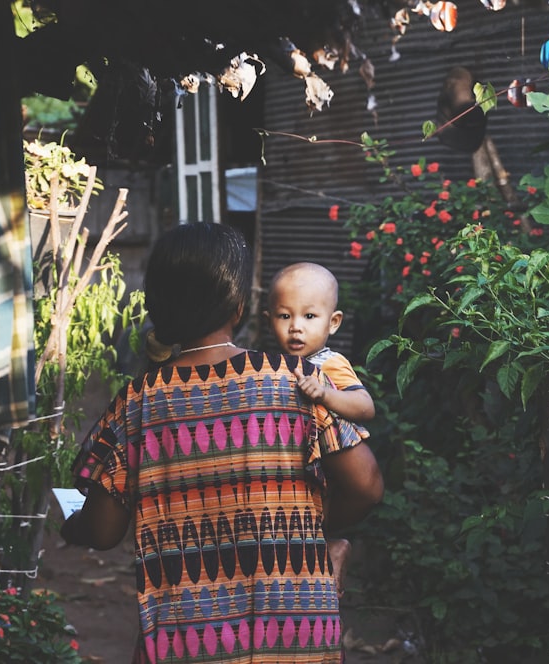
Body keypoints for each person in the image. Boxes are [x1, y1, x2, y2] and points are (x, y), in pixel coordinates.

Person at [61, 222, 384, 664]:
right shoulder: (297, 380)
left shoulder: (135, 403)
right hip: (296, 633)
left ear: (158, 307)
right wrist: (308, 538)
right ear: (239, 305)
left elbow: (101, 530)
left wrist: (70, 525)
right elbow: (365, 487)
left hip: (186, 641)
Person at [263, 262, 376, 596]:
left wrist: (326, 393)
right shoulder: (274, 365)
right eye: (285, 316)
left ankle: (332, 548)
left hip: (326, 471)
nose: (296, 328)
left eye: (309, 317)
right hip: (291, 471)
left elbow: (365, 405)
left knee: (303, 536)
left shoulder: (329, 363)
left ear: (333, 322)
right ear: (270, 319)